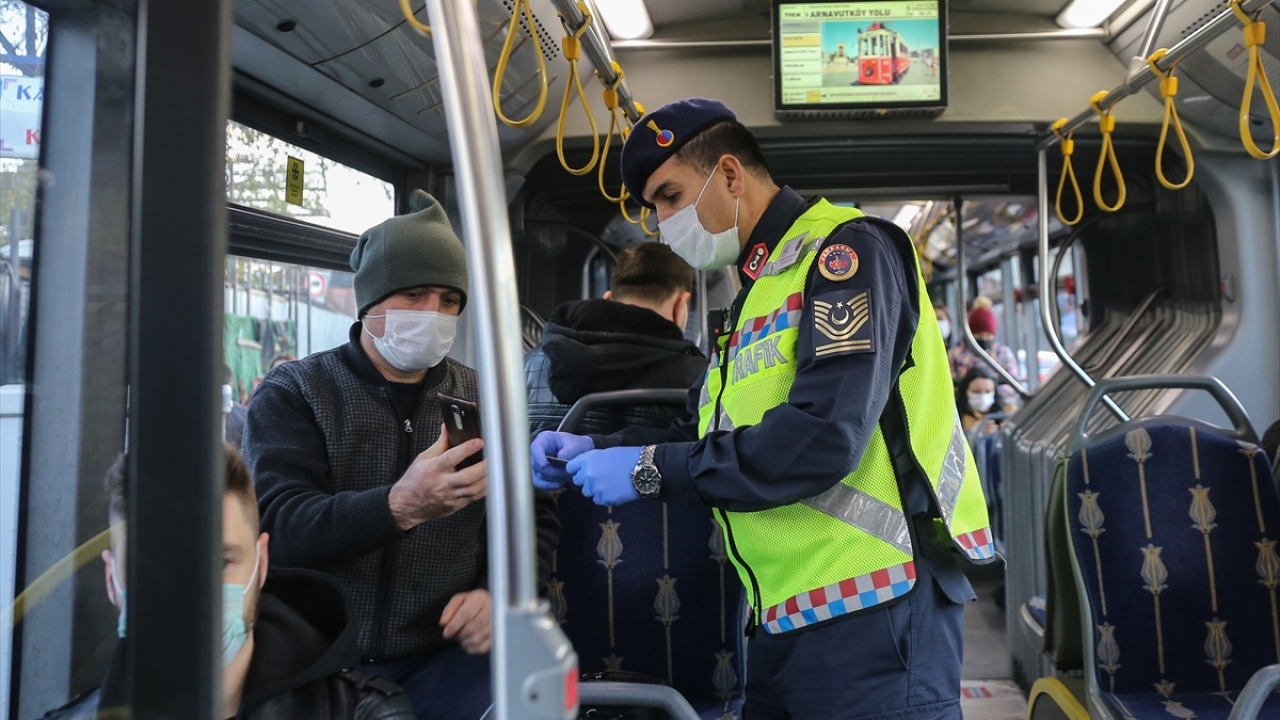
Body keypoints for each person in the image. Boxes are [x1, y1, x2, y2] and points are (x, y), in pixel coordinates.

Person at [529, 98, 993, 720]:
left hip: (878, 608)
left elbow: (826, 433)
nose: (663, 222)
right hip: (782, 609)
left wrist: (647, 470)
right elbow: (704, 427)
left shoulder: (844, 254)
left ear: (728, 174)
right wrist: (601, 446)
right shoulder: (757, 291)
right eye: (654, 208)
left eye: (670, 196)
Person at [243, 190, 560, 720]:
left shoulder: (489, 399)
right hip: (318, 657)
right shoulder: (297, 393)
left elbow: (534, 517)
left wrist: (498, 594)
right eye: (414, 296)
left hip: (447, 654)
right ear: (370, 303)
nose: (433, 314)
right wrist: (399, 505)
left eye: (449, 300)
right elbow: (280, 526)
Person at [525, 242, 745, 713]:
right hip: (695, 622)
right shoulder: (705, 380)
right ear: (682, 305)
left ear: (609, 298)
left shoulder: (528, 372)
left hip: (548, 610)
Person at [42, 446, 415, 719]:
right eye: (151, 567)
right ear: (112, 580)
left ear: (262, 562)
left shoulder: (363, 714)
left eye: (220, 562)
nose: (189, 597)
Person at [948, 296, 1021, 412]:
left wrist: (990, 390)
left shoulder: (1003, 354)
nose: (984, 339)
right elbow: (949, 385)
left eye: (988, 335)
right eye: (979, 335)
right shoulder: (956, 354)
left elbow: (1014, 384)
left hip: (999, 405)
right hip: (965, 408)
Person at [956, 366, 1002, 435]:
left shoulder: (1003, 415)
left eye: (988, 392)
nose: (983, 397)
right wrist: (973, 433)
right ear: (965, 391)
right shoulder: (955, 418)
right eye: (976, 392)